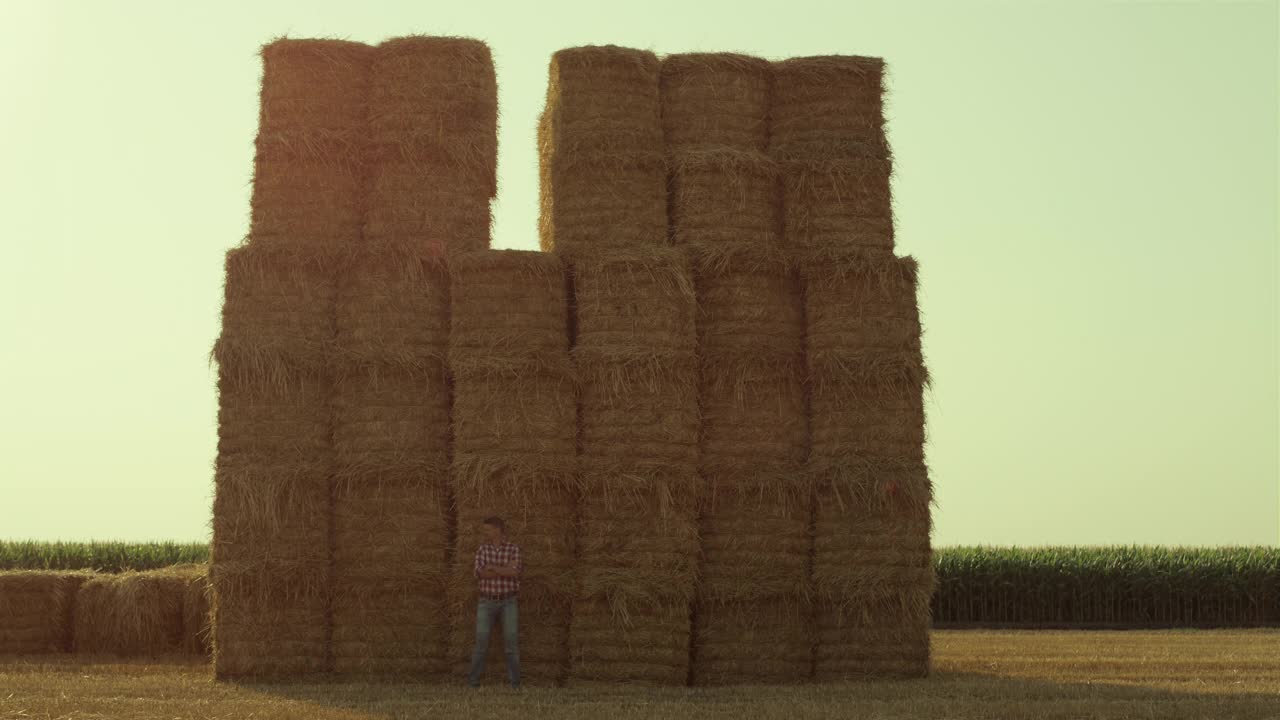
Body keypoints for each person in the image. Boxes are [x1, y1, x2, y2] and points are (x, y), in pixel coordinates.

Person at [467, 516, 522, 689]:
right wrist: (505, 569)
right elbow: (479, 574)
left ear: (498, 529)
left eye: (488, 529)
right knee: (481, 643)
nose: (486, 532)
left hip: (508, 601)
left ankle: (515, 684)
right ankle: (473, 682)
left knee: (511, 643)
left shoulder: (513, 549)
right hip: (486, 601)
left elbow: (516, 573)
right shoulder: (482, 549)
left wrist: (493, 568)